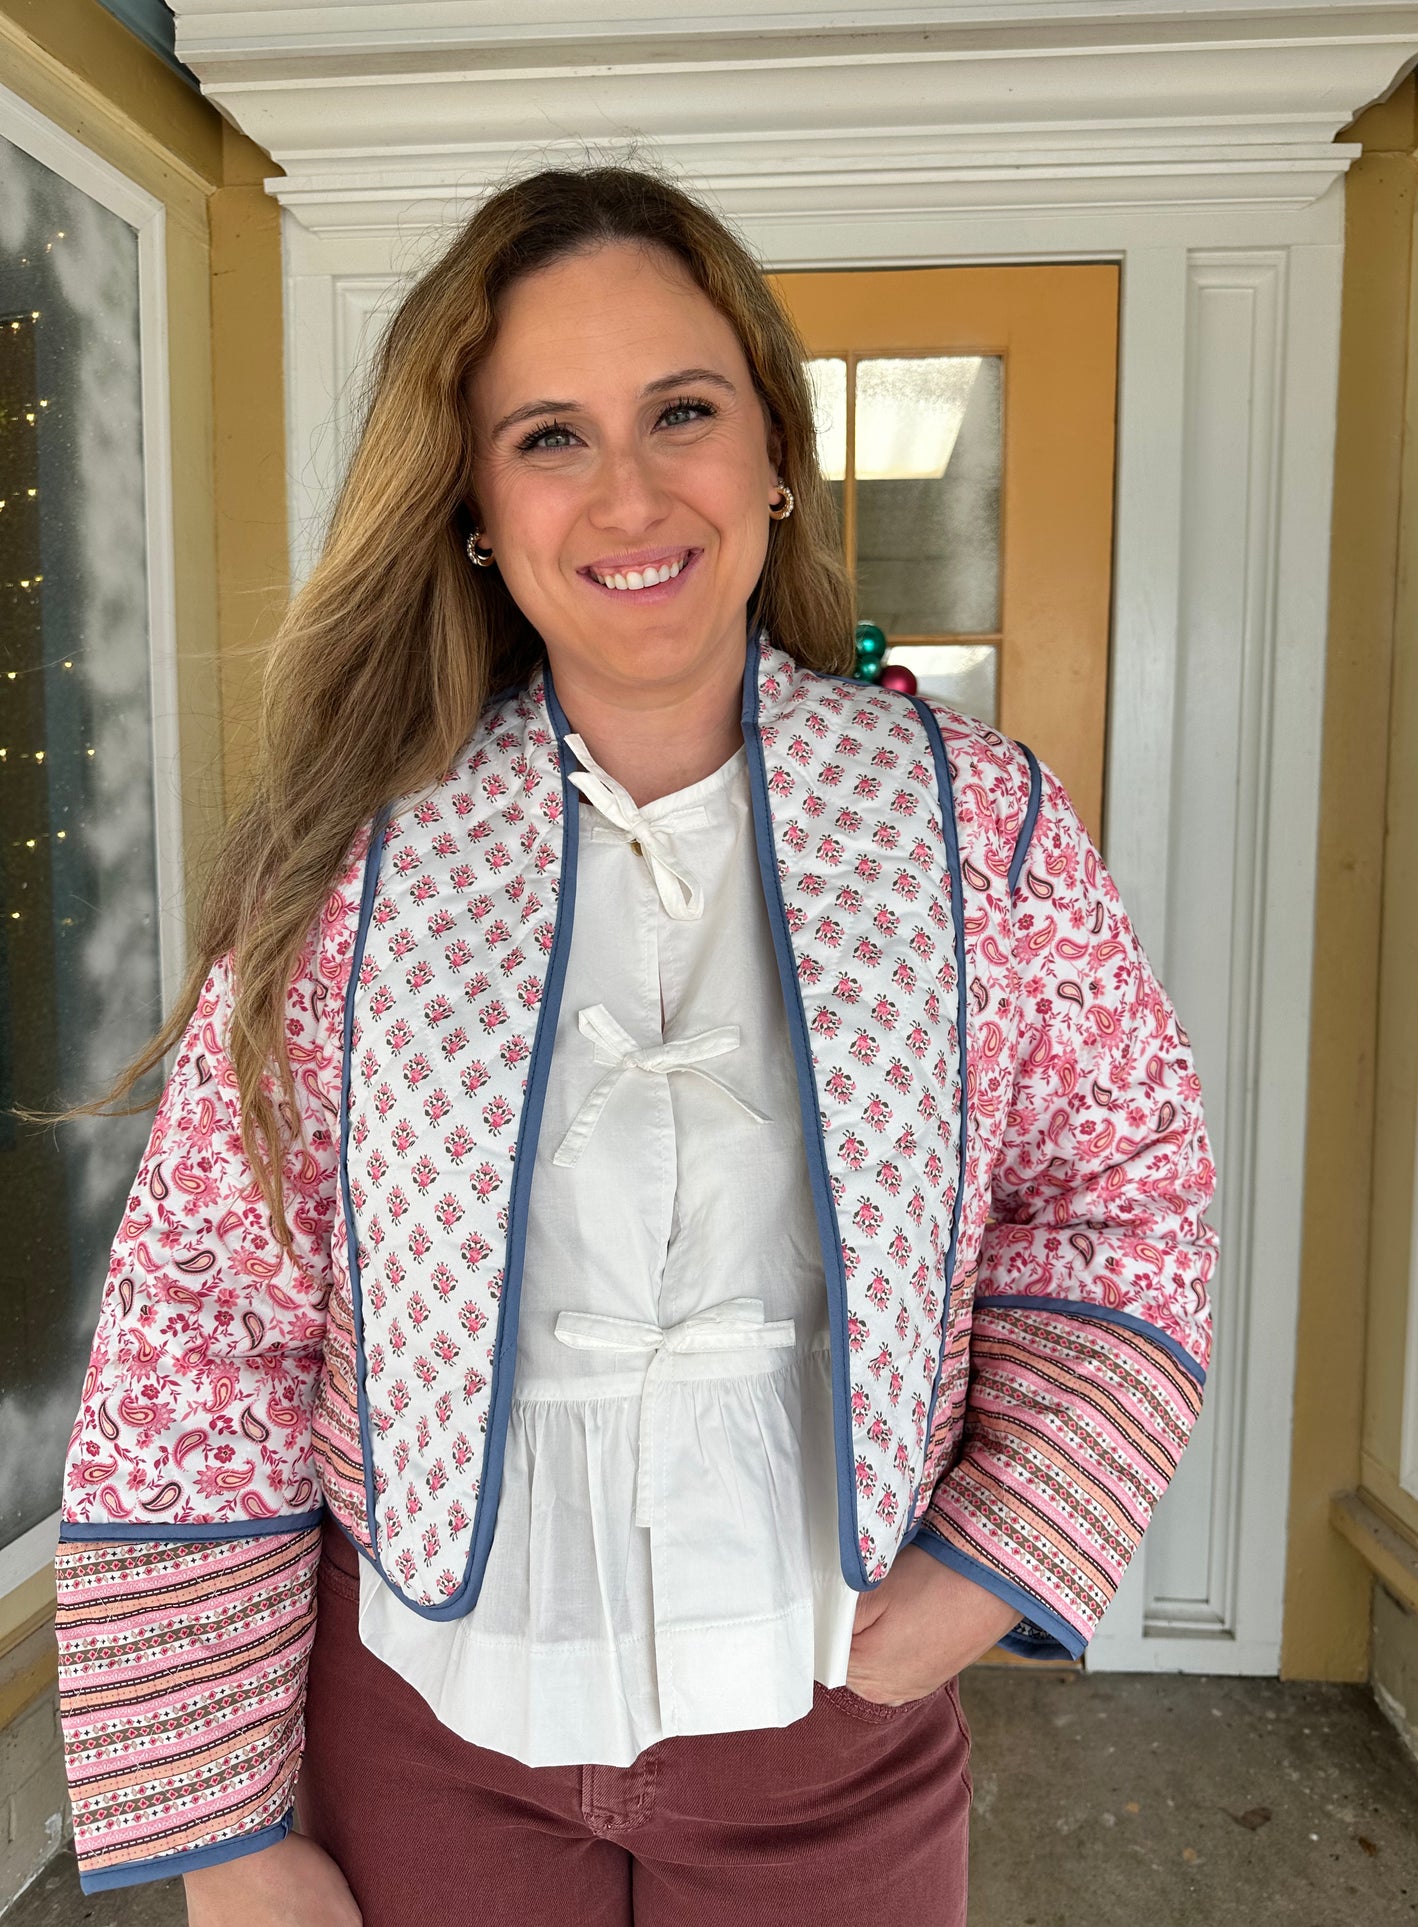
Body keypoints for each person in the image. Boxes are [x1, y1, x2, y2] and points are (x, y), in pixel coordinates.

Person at [50, 165, 1216, 1927]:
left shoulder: (974, 826)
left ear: (773, 451)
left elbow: (1120, 1195)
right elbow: (205, 1322)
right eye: (548, 437)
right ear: (471, 505)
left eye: (682, 411)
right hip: (422, 1727)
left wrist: (999, 1560)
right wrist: (225, 1834)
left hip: (832, 1728)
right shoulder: (351, 868)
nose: (629, 494)